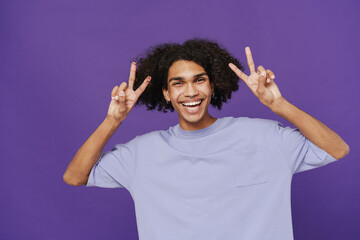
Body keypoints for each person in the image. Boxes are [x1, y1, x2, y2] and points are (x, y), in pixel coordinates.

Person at [63, 38, 349, 240]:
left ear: (213, 86)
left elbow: (337, 149)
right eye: (178, 83)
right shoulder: (142, 152)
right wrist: (113, 121)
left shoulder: (264, 136)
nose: (190, 92)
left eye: (199, 80)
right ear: (166, 93)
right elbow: (75, 176)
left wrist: (280, 105)